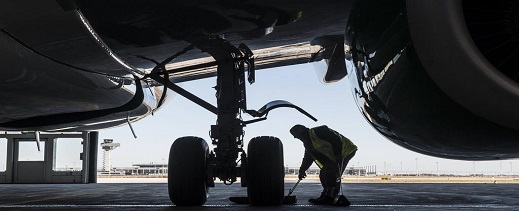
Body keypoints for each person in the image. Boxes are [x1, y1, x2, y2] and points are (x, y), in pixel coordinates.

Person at [290, 124, 357, 205]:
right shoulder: (307, 143)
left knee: (329, 172)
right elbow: (308, 158)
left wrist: (338, 154)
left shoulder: (319, 131)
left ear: (300, 131)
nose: (295, 137)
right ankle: (326, 195)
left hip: (345, 151)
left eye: (294, 134)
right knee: (324, 173)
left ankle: (330, 196)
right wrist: (302, 170)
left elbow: (336, 140)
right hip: (333, 156)